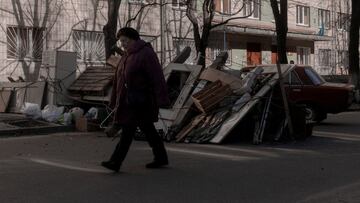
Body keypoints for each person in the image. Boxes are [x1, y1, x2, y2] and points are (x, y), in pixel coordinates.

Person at [101, 27, 170, 172]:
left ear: (133, 39)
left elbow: (157, 77)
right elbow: (119, 79)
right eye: (121, 42)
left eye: (125, 41)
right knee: (148, 130)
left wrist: (161, 99)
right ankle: (161, 157)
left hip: (141, 101)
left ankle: (115, 162)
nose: (123, 44)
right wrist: (114, 99)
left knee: (128, 130)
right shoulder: (128, 55)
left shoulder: (146, 53)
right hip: (130, 101)